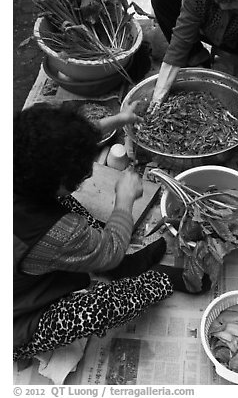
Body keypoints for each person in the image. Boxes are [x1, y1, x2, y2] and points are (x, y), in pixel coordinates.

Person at [13, 102, 210, 361]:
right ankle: (160, 280)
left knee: (67, 213)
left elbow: (55, 143)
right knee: (98, 308)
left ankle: (122, 268)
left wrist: (119, 119)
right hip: (15, 319)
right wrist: (124, 199)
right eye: (80, 177)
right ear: (59, 181)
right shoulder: (51, 232)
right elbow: (111, 250)